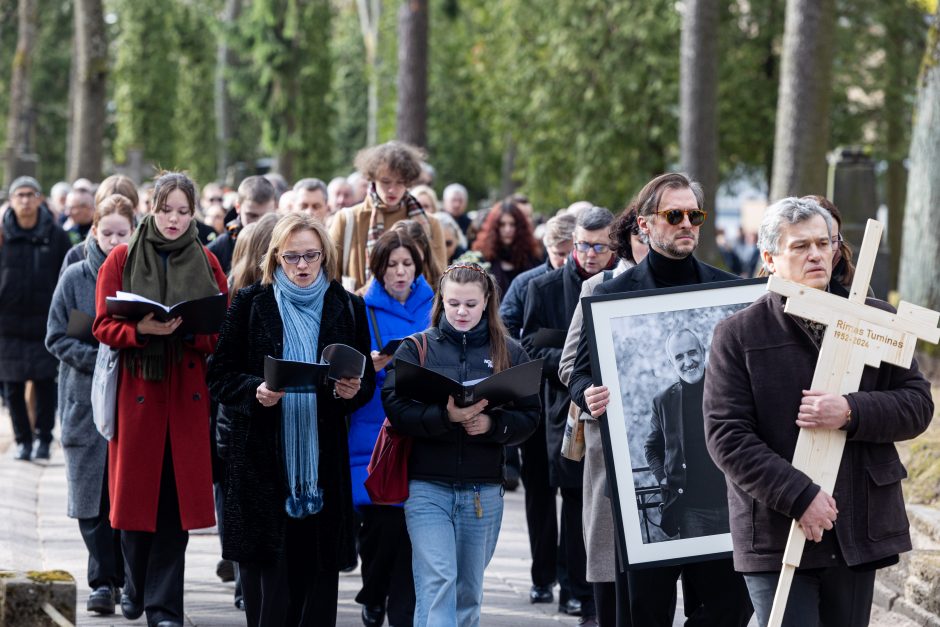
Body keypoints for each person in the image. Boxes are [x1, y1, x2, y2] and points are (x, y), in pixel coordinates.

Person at [703, 197, 933, 627]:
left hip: (857, 525)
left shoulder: (875, 321)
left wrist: (850, 410)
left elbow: (918, 405)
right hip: (777, 531)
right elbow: (726, 436)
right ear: (769, 258)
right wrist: (800, 496)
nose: (815, 254)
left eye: (823, 243)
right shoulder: (738, 334)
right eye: (800, 246)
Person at [567, 173, 752, 627]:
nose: (686, 223)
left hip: (724, 504)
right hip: (659, 512)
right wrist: (586, 394)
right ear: (645, 226)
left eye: (695, 215)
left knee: (727, 610)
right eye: (674, 215)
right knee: (644, 613)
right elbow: (577, 370)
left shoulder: (728, 291)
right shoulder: (611, 296)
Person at [206, 213, 374, 626]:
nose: (302, 266)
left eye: (311, 256)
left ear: (325, 256)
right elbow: (219, 376)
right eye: (292, 257)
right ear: (276, 257)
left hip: (322, 470)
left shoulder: (348, 307)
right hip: (263, 467)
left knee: (316, 589)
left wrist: (350, 391)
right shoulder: (250, 303)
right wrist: (255, 391)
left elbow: (364, 380)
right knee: (270, 597)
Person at [93, 172, 229, 627]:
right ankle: (134, 584)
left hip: (186, 401)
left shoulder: (208, 261)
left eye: (183, 211)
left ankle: (164, 608)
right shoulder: (120, 257)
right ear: (151, 209)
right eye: (166, 209)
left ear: (194, 214)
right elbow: (101, 326)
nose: (174, 219)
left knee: (173, 508)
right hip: (139, 397)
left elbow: (221, 332)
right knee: (134, 511)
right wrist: (140, 330)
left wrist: (193, 330)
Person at [381, 262, 540, 626]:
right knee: (438, 580)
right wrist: (444, 418)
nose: (462, 312)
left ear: (487, 301)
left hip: (483, 490)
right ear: (441, 301)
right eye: (454, 304)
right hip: (427, 486)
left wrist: (491, 424)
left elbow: (530, 416)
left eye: (470, 304)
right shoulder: (416, 349)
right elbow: (395, 406)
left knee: (468, 589)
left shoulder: (510, 353)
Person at [522, 206, 618, 624]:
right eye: (583, 245)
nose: (590, 254)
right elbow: (528, 346)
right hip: (561, 408)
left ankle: (583, 592)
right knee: (568, 498)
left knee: (593, 504)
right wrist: (570, 353)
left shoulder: (619, 284)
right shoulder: (542, 288)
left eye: (599, 246)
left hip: (603, 404)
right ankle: (569, 588)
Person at [45, 194, 135, 615]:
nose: (115, 239)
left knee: (125, 495)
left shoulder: (141, 275)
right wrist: (97, 355)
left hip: (131, 396)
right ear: (94, 231)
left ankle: (126, 579)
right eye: (108, 231)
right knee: (89, 498)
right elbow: (56, 336)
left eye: (123, 232)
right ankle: (102, 580)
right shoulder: (76, 275)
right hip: (83, 396)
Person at [559, 205, 647, 627]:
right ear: (629, 239)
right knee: (609, 555)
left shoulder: (691, 286)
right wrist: (589, 392)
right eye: (642, 235)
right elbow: (570, 364)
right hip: (609, 438)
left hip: (665, 440)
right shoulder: (599, 286)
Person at [349, 230, 434, 627]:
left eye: (407, 264)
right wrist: (370, 366)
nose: (400, 273)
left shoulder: (435, 303)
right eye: (391, 265)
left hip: (419, 424)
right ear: (377, 269)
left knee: (409, 528)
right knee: (379, 525)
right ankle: (373, 591)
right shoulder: (360, 308)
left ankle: (401, 609)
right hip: (373, 428)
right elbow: (346, 372)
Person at [0, 176, 72, 461]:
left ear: (40, 199)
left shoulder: (55, 236)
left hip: (45, 322)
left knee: (45, 383)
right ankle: (23, 440)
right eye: (20, 195)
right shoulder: (2, 235)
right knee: (12, 386)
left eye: (31, 195)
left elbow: (67, 276)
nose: (26, 201)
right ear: (12, 200)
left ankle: (44, 437)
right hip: (8, 325)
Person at [329, 141, 447, 291]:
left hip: (415, 312)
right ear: (372, 178)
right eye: (385, 182)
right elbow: (330, 279)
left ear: (409, 182)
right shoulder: (347, 219)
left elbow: (439, 281)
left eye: (400, 182)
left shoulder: (431, 224)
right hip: (359, 311)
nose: (392, 189)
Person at [645, 328, 729, 539]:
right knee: (701, 572)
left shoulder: (728, 386)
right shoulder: (662, 401)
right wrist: (663, 479)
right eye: (679, 357)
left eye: (692, 352)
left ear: (702, 352)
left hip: (734, 501)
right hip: (693, 511)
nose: (688, 361)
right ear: (671, 362)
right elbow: (651, 448)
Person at [500, 212, 576, 338]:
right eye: (560, 254)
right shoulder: (524, 283)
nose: (567, 261)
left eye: (572, 254)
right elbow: (505, 329)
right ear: (548, 249)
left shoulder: (591, 279)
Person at [60, 174, 141, 271]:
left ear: (135, 210)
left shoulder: (148, 257)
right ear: (97, 210)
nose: (114, 240)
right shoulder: (77, 256)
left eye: (124, 209)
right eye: (107, 208)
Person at [472, 197, 543, 297]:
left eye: (512, 224)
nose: (507, 229)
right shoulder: (482, 259)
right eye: (502, 224)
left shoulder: (531, 257)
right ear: (495, 227)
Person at [208, 175, 277, 274]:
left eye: (265, 217)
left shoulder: (285, 242)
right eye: (252, 215)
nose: (258, 224)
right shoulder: (218, 249)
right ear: (238, 207)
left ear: (274, 207)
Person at [391, 218, 444, 290]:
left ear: (424, 251)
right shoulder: (378, 289)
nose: (401, 270)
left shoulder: (441, 287)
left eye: (414, 255)